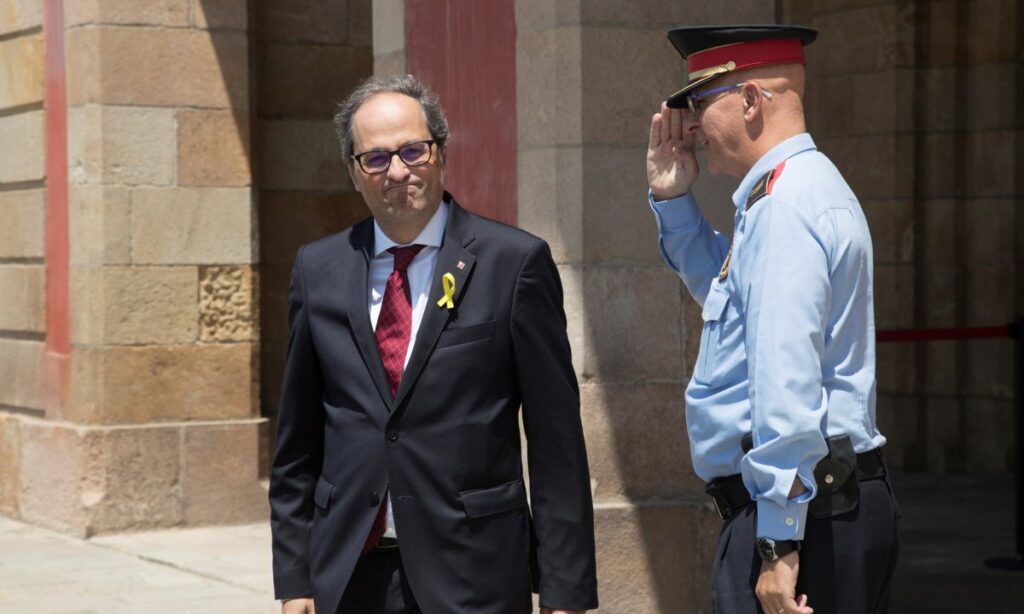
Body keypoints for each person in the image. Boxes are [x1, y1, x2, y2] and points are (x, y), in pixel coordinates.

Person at [269, 75, 598, 614]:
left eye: (412, 151)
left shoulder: (513, 264)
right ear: (354, 173)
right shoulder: (318, 269)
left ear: (440, 154)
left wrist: (565, 590)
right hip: (349, 572)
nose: (398, 171)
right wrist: (294, 576)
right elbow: (297, 442)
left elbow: (555, 440)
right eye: (375, 159)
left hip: (474, 573)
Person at [645, 26, 899, 614]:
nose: (692, 128)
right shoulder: (787, 193)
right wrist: (673, 199)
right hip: (815, 508)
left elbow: (786, 382)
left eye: (701, 104)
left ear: (752, 101)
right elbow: (729, 299)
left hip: (808, 519)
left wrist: (778, 542)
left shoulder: (785, 206)